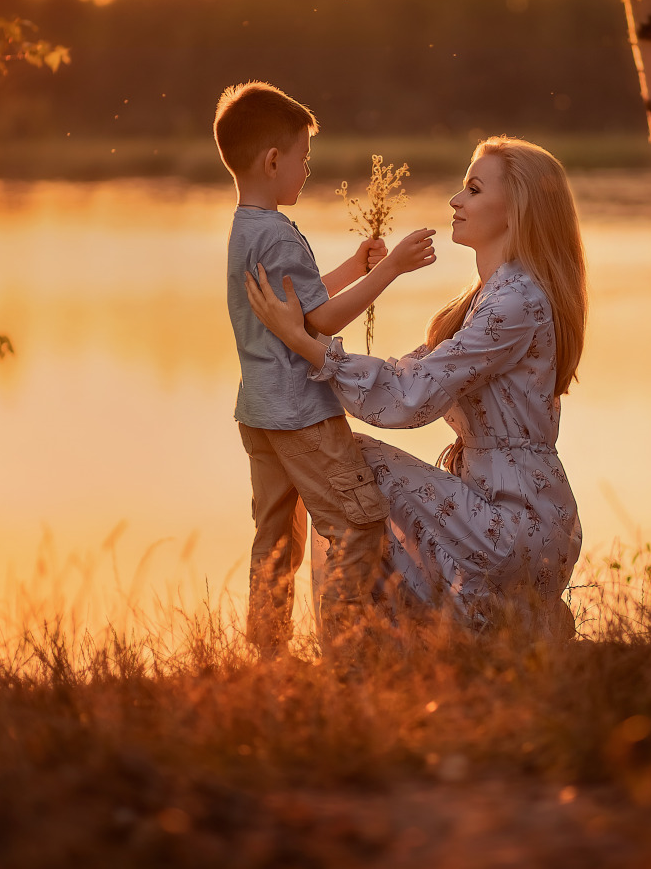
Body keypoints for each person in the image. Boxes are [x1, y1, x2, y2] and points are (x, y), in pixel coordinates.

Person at [245, 136, 586, 633]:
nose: (455, 200)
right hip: (496, 505)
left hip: (517, 521)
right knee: (342, 464)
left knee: (345, 460)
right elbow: (415, 370)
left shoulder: (516, 301)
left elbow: (412, 396)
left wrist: (304, 343)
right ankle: (386, 640)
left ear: (516, 210)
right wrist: (318, 327)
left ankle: (354, 648)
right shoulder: (487, 297)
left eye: (472, 190)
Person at [217, 81, 438, 659]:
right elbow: (324, 322)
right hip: (300, 412)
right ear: (272, 161)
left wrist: (350, 267)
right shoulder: (280, 233)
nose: (306, 171)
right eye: (303, 159)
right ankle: (345, 657)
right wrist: (389, 268)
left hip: (259, 411)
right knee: (356, 523)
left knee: (274, 539)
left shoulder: (247, 228)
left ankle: (267, 656)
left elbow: (303, 308)